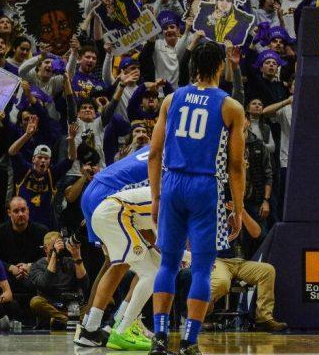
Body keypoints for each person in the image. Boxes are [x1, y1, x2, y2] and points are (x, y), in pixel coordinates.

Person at [148, 42, 247, 355]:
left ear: (192, 66)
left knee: (168, 263)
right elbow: (235, 165)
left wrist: (155, 198)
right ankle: (190, 342)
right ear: (219, 67)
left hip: (172, 182)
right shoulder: (230, 106)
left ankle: (160, 337)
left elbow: (154, 153)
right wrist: (239, 209)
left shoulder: (171, 99)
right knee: (203, 268)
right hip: (205, 185)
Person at [75, 146, 156, 349]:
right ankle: (120, 323)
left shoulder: (156, 144)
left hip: (95, 189)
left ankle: (90, 325)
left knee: (118, 262)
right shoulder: (176, 158)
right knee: (145, 261)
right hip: (112, 195)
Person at [0, 197, 48, 309]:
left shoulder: (42, 231)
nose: (21, 214)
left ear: (28, 211)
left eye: (23, 210)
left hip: (33, 276)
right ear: (9, 213)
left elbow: (46, 257)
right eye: (16, 211)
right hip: (6, 277)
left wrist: (30, 266)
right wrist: (11, 268)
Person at [27, 231, 86, 329]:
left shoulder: (70, 262)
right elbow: (45, 284)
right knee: (35, 302)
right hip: (51, 308)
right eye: (53, 248)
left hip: (73, 307)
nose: (58, 250)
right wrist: (54, 255)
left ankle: (63, 322)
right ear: (45, 249)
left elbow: (84, 284)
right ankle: (70, 322)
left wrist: (77, 256)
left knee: (105, 301)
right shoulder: (37, 266)